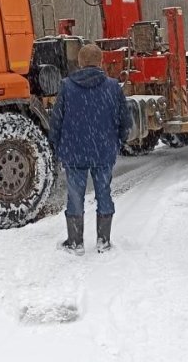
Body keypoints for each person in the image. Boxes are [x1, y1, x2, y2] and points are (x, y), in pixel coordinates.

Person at [49, 44, 132, 255]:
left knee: (75, 196)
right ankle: (103, 241)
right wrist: (118, 141)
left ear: (80, 62)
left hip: (74, 151)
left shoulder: (67, 86)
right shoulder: (113, 87)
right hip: (103, 151)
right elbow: (125, 120)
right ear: (101, 61)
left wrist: (56, 145)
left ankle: (75, 242)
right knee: (104, 193)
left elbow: (56, 120)